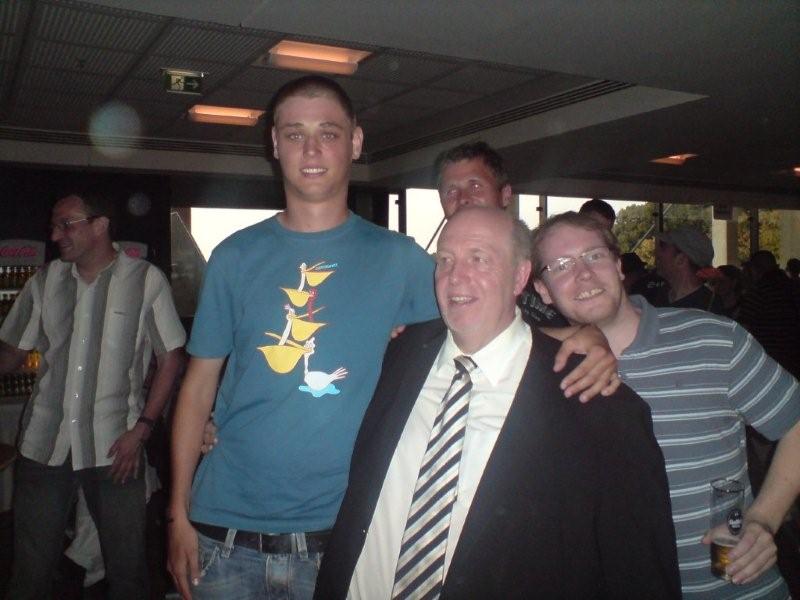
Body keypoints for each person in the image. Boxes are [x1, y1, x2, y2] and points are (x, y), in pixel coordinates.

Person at [314, 207, 680, 599]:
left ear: (520, 276)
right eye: (445, 260)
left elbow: (640, 575)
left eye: (479, 259)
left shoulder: (602, 408)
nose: (456, 276)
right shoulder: (399, 353)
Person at [531, 211, 800, 599]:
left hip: (733, 586)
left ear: (618, 266)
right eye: (561, 265)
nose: (584, 274)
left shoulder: (713, 339)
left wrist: (763, 520)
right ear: (542, 290)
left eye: (594, 256)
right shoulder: (536, 370)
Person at [0, 191, 186, 599]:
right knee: (29, 572)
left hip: (116, 450)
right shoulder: (44, 281)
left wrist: (142, 430)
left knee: (128, 572)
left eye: (66, 224)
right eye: (54, 225)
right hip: (43, 445)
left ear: (100, 225)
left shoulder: (145, 280)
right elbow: (10, 354)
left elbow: (170, 357)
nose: (55, 235)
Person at [653, 225, 725, 314]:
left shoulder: (708, 307)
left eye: (663, 247)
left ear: (681, 260)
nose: (657, 253)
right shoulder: (659, 295)